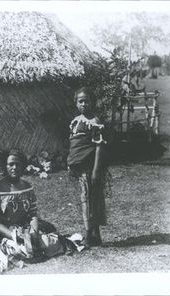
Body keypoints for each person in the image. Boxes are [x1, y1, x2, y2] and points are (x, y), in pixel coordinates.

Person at [0, 149, 82, 271]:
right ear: (4, 165)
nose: (14, 167)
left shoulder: (27, 187)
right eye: (10, 164)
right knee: (17, 249)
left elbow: (32, 214)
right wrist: (14, 236)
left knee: (46, 244)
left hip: (23, 227)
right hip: (3, 231)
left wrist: (34, 232)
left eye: (18, 164)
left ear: (23, 166)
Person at [67, 86, 108, 248]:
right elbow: (74, 145)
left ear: (92, 102)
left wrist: (96, 170)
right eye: (80, 101)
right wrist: (70, 163)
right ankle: (95, 234)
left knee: (89, 200)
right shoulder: (76, 121)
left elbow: (99, 147)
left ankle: (88, 235)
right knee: (89, 198)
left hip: (90, 167)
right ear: (76, 103)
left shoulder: (94, 122)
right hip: (79, 166)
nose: (84, 104)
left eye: (87, 101)